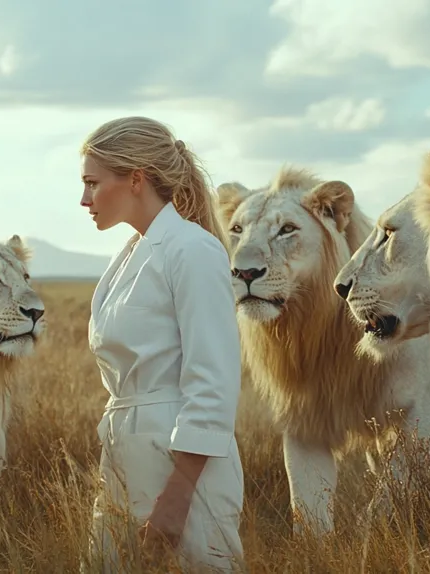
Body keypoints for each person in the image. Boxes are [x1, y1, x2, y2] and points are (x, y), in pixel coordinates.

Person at [78, 116, 244, 573]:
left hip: (181, 466)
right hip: (124, 453)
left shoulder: (192, 250)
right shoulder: (130, 255)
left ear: (135, 179)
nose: (84, 199)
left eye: (93, 183)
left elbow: (214, 382)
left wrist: (177, 498)